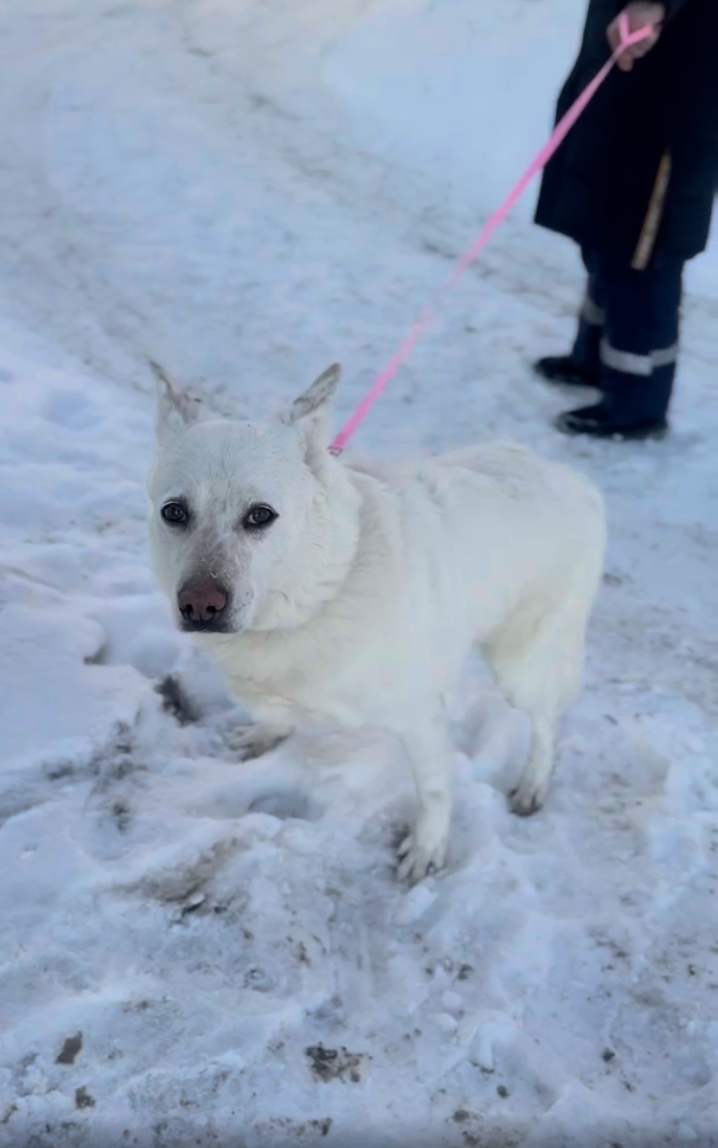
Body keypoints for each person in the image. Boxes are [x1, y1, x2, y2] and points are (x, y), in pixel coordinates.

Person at [534, 0, 718, 439]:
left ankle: (637, 404)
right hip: (625, 75)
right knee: (604, 230)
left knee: (644, 251)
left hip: (675, 88)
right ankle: (594, 359)